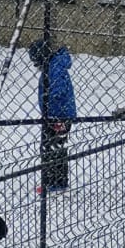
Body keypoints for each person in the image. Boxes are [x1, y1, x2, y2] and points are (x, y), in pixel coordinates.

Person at [28, 34, 76, 193]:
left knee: (53, 148)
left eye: (36, 62)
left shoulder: (54, 67)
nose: (36, 66)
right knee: (54, 147)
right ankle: (54, 181)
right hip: (55, 115)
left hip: (57, 116)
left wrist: (54, 114)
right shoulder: (54, 65)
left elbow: (58, 91)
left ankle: (55, 182)